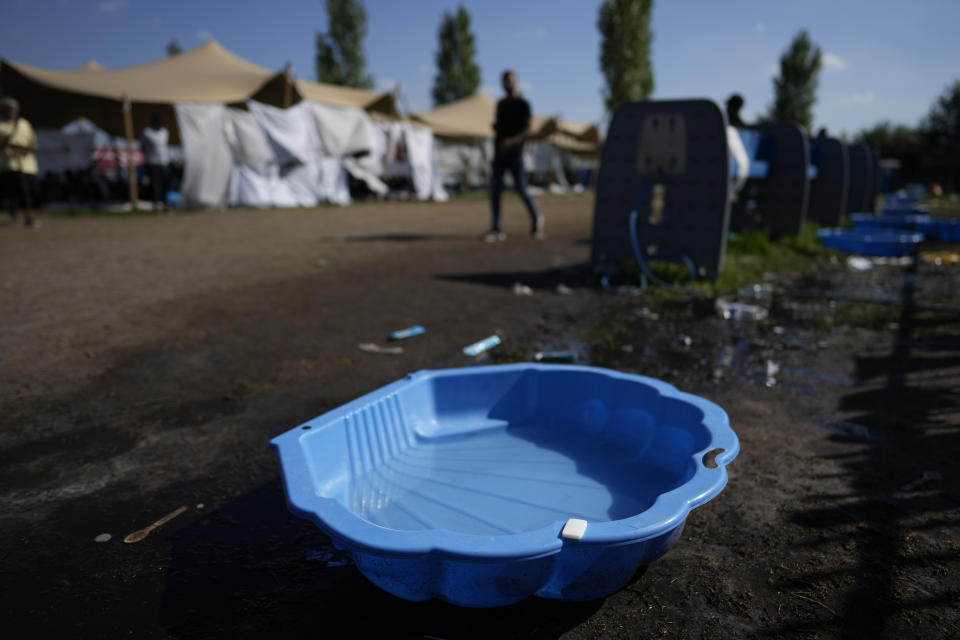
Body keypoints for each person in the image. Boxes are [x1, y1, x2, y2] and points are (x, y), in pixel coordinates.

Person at [484, 70, 544, 242]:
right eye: (505, 81)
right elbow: (500, 126)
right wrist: (497, 129)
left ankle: (536, 219)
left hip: (515, 154)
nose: (508, 84)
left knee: (522, 190)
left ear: (516, 82)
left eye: (510, 81)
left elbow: (528, 130)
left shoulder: (523, 104)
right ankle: (497, 228)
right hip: (499, 154)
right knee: (495, 191)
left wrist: (511, 142)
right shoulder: (501, 105)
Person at [0, 97, 40, 228]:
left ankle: (14, 209)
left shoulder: (24, 124)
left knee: (31, 190)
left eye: (12, 109)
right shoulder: (1, 125)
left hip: (28, 165)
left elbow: (33, 142)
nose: (10, 111)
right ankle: (29, 218)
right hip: (10, 165)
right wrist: (10, 144)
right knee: (23, 192)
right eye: (7, 109)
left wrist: (30, 147)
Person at [141, 114, 170, 211]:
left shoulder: (164, 132)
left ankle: (165, 203)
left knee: (165, 183)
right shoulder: (147, 132)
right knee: (154, 184)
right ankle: (155, 204)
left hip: (164, 161)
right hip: (153, 162)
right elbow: (143, 146)